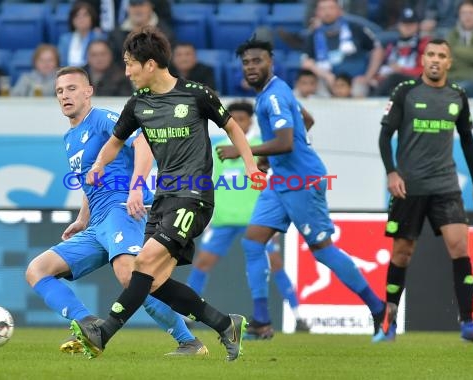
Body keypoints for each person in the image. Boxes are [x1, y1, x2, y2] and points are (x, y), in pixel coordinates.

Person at [71, 27, 258, 361]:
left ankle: (105, 331)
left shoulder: (197, 94)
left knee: (142, 262)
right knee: (152, 280)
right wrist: (99, 164)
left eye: (130, 65)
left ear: (151, 64)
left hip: (194, 196)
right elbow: (115, 142)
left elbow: (231, 126)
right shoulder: (137, 105)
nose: (126, 72)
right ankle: (225, 323)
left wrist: (251, 166)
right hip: (162, 199)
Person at [25, 66, 207, 356]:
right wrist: (82, 218)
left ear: (88, 92)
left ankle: (190, 342)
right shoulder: (69, 138)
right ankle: (88, 323)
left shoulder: (103, 119)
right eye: (59, 91)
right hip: (97, 223)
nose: (64, 96)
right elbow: (91, 179)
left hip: (122, 209)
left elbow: (144, 141)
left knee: (132, 276)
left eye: (72, 88)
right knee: (37, 270)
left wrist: (137, 188)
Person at [217, 37, 386, 340]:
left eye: (257, 61)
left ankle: (378, 309)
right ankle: (262, 321)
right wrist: (272, 158)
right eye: (246, 63)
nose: (251, 67)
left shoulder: (273, 97)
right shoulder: (274, 92)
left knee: (322, 250)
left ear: (271, 62)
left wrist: (244, 151)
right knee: (253, 242)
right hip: (283, 180)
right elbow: (307, 119)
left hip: (304, 181)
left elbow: (286, 141)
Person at [376, 38, 473, 342]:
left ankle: (468, 324)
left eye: (442, 56)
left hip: (446, 186)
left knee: (460, 248)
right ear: (423, 60)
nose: (436, 60)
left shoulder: (458, 96)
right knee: (402, 252)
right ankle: (390, 321)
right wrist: (391, 173)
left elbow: (466, 139)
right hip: (409, 188)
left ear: (450, 62)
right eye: (431, 55)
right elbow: (385, 137)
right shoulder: (405, 92)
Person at [185, 101, 310, 336]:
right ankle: (187, 316)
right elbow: (207, 183)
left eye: (242, 119)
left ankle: (299, 316)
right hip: (223, 219)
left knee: (275, 266)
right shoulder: (217, 148)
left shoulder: (262, 146)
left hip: (257, 219)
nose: (238, 124)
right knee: (202, 263)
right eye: (234, 120)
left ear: (250, 120)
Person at [301, 0, 385, 97]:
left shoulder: (355, 28)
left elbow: (377, 49)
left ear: (340, 10)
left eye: (331, 8)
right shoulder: (313, 34)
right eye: (323, 9)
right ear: (317, 12)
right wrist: (326, 76)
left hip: (355, 81)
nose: (327, 12)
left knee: (359, 90)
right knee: (306, 90)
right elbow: (306, 62)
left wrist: (368, 76)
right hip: (327, 81)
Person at [374, 7, 430, 97]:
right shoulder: (392, 45)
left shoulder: (424, 44)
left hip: (417, 82)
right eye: (404, 24)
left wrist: (402, 70)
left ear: (418, 25)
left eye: (411, 24)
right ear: (399, 25)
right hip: (394, 83)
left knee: (394, 78)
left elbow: (425, 71)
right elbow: (385, 67)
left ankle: (375, 99)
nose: (408, 27)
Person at [108, 0, 174, 66]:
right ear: (128, 8)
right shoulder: (117, 35)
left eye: (141, 4)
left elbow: (167, 62)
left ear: (151, 6)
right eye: (133, 5)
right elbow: (115, 63)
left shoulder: (165, 33)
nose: (137, 10)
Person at [445, 0, 473, 97]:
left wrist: (454, 50)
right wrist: (470, 53)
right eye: (463, 13)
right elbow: (446, 59)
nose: (467, 16)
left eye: (471, 13)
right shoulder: (452, 35)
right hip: (453, 79)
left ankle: (460, 90)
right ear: (458, 15)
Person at [58, 1, 104, 67]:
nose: (81, 19)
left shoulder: (98, 37)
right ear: (72, 19)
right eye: (77, 15)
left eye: (85, 15)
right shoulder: (64, 39)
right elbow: (61, 63)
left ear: (92, 18)